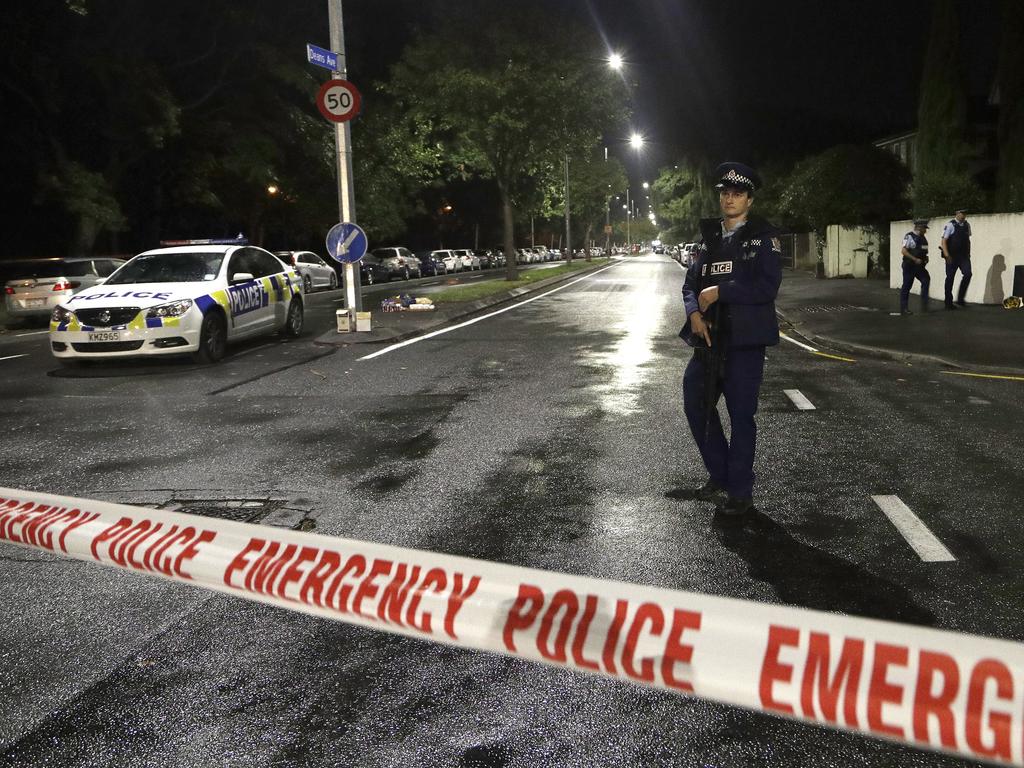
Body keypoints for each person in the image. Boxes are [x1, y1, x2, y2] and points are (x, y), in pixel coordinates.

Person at [679, 162, 782, 518]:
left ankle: (740, 491)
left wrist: (720, 292)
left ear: (749, 200)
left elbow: (766, 287)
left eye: (738, 193)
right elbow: (690, 284)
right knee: (696, 403)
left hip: (744, 342)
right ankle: (720, 475)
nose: (730, 199)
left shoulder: (762, 238)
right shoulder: (708, 238)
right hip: (709, 340)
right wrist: (694, 312)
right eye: (725, 193)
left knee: (741, 416)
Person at [941, 208, 972, 309]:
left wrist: (969, 253)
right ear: (957, 213)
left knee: (968, 274)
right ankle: (948, 302)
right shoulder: (950, 225)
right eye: (962, 213)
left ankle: (960, 299)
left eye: (965, 213)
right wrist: (947, 255)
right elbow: (944, 241)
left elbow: (968, 240)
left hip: (963, 256)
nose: (963, 215)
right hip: (952, 256)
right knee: (950, 278)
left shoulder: (967, 225)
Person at [899, 219, 932, 315]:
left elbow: (924, 251)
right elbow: (904, 251)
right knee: (907, 285)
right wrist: (915, 259)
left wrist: (926, 258)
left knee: (926, 280)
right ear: (919, 227)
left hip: (920, 267)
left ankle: (924, 306)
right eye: (924, 228)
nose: (926, 230)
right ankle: (904, 308)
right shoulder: (909, 236)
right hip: (909, 265)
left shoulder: (923, 239)